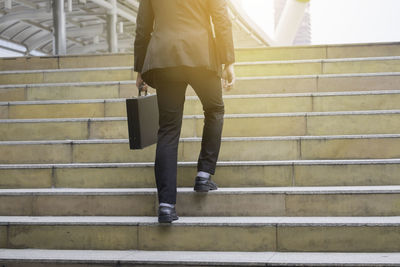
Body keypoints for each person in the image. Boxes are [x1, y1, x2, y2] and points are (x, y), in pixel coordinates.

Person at [134, 0, 235, 223]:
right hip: (201, 55)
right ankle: (204, 174)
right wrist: (228, 61)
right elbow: (221, 18)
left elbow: (143, 27)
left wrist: (140, 68)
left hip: (164, 56)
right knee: (215, 109)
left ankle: (166, 205)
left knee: (168, 129)